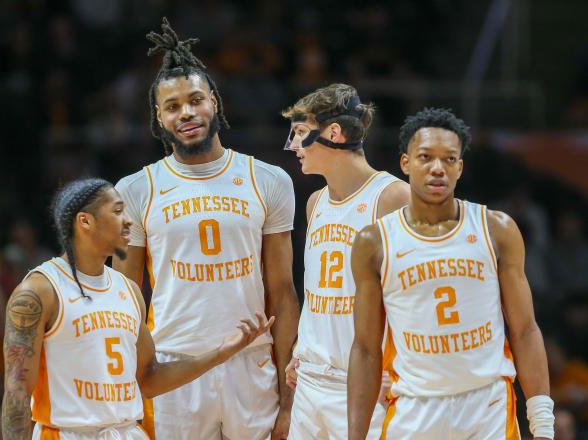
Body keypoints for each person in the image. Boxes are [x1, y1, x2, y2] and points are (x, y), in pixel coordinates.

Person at [113, 18, 299, 440]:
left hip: (252, 364)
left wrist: (290, 399)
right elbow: (124, 297)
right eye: (173, 106)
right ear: (159, 118)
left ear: (214, 102)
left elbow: (284, 293)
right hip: (172, 367)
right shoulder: (136, 189)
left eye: (195, 100)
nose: (187, 113)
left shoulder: (267, 179)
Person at [1, 178, 274, 440]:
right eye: (118, 211)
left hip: (127, 431)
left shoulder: (128, 290)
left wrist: (221, 353)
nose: (129, 220)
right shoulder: (40, 290)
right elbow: (17, 391)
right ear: (85, 221)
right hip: (66, 433)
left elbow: (149, 378)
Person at [347, 108, 555, 440]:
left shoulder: (496, 229)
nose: (437, 168)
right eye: (426, 157)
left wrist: (542, 423)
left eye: (449, 159)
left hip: (486, 407)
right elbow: (365, 348)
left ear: (460, 167)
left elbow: (526, 330)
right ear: (405, 163)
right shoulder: (374, 242)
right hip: (413, 409)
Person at [281, 83, 409, 439]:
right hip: (309, 381)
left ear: (333, 133)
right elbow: (318, 293)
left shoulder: (393, 197)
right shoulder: (314, 203)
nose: (293, 145)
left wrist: (402, 369)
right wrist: (302, 347)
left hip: (365, 386)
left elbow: (419, 295)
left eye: (301, 133)